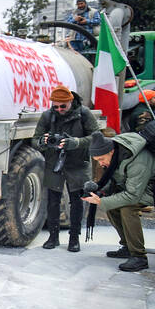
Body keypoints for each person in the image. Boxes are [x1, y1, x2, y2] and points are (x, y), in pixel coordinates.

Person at [31, 85, 98, 252]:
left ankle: (74, 238)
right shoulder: (48, 116)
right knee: (53, 200)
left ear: (71, 102)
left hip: (78, 163)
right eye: (56, 106)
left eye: (63, 106)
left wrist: (76, 142)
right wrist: (43, 142)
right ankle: (53, 237)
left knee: (77, 201)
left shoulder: (83, 114)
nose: (59, 109)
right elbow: (35, 140)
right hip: (54, 162)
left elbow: (97, 137)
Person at [84, 131, 155, 272]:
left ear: (111, 152)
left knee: (127, 208)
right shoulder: (116, 154)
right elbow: (116, 178)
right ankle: (128, 246)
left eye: (102, 159)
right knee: (112, 207)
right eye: (97, 160)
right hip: (140, 185)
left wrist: (101, 202)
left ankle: (139, 257)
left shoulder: (137, 161)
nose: (101, 163)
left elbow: (132, 196)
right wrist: (99, 191)